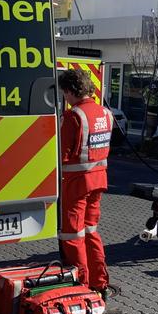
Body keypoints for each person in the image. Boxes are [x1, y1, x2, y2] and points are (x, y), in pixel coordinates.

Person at [58, 69, 113, 299]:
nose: (65, 99)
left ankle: (81, 285)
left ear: (71, 90)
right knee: (91, 232)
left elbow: (61, 153)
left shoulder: (74, 116)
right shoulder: (106, 113)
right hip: (99, 180)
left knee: (72, 235)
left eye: (65, 94)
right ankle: (100, 283)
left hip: (76, 183)